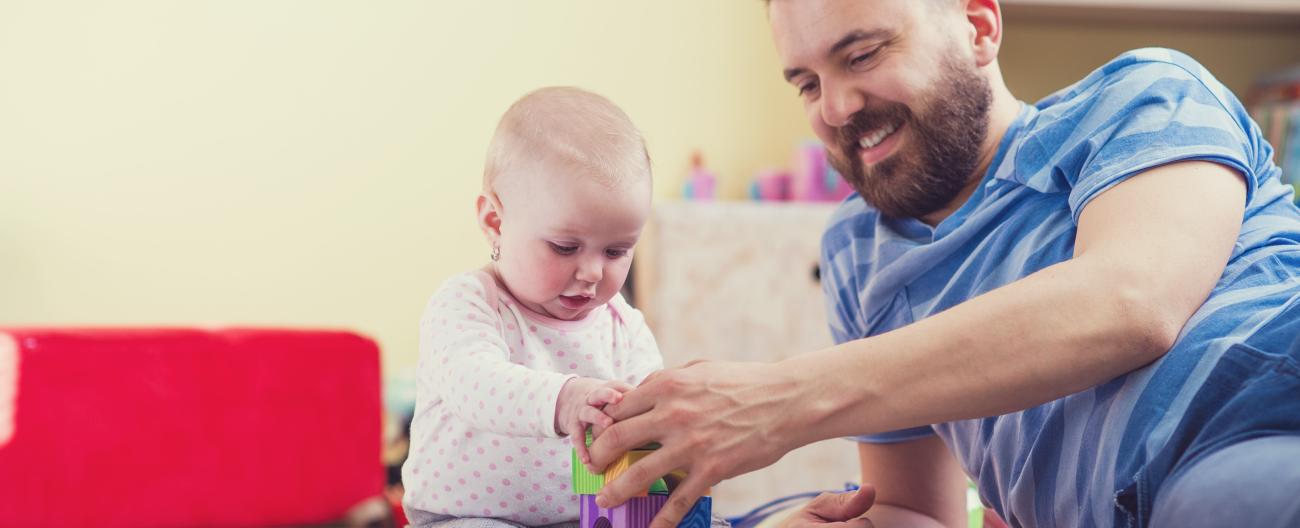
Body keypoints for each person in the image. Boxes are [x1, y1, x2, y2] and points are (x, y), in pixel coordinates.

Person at [586, 1, 1300, 527]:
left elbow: (1129, 302)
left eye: (862, 55)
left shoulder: (1141, 96)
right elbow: (913, 512)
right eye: (805, 84)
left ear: (979, 26)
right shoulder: (858, 252)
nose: (835, 108)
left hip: (1263, 419)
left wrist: (779, 400)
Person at [401, 87, 664, 528]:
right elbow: (475, 384)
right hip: (464, 517)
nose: (593, 273)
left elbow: (648, 414)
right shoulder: (468, 303)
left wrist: (665, 408)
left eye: (617, 251)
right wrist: (565, 399)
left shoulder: (622, 324)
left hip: (581, 517)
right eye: (566, 247)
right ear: (495, 223)